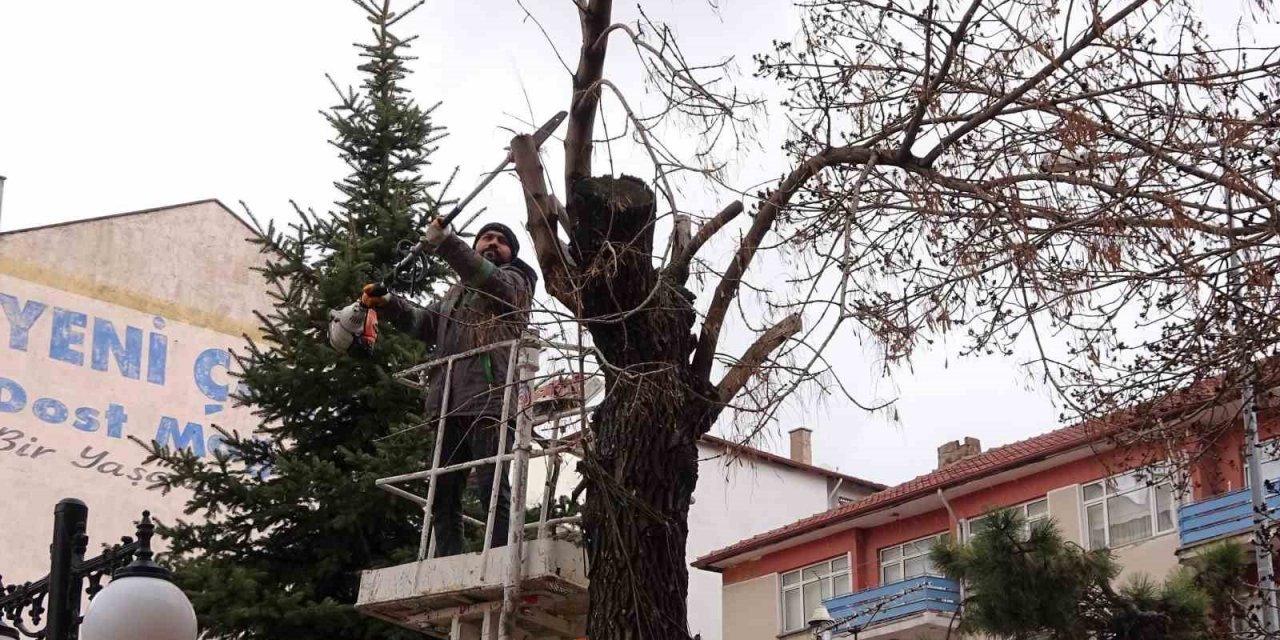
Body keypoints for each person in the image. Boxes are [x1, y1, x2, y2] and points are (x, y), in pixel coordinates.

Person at [359, 217, 537, 556]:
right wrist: (389, 303)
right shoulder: (455, 295)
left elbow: (490, 281)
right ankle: (449, 561)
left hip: (490, 399)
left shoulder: (516, 281)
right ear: (476, 245)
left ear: (511, 253)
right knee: (443, 495)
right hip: (448, 405)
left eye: (501, 241)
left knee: (492, 487)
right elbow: (423, 323)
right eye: (486, 238)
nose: (492, 243)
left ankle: (500, 556)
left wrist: (447, 243)